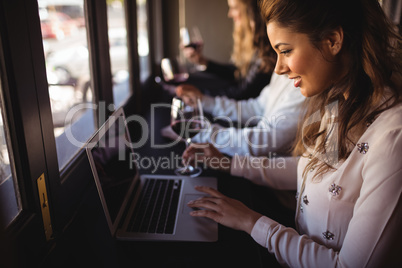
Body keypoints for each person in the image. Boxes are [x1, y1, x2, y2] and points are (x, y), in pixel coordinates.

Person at [183, 0, 402, 266]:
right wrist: (228, 164)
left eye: (285, 51)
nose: (278, 68)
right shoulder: (339, 98)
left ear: (333, 40)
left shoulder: (393, 137)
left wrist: (250, 222)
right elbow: (308, 168)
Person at [171, 72, 305, 157]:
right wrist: (203, 101)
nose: (276, 68)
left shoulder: (305, 87)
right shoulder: (283, 73)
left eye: (286, 51)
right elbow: (256, 108)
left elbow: (262, 140)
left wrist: (201, 134)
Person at [183, 0, 276, 100]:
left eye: (234, 8)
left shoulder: (265, 45)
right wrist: (202, 61)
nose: (229, 14)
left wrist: (200, 96)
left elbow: (242, 93)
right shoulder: (246, 38)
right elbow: (236, 72)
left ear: (251, 11)